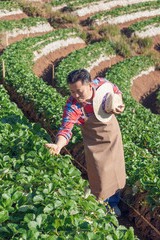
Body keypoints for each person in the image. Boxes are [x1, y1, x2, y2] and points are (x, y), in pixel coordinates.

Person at [45, 69, 126, 216]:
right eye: (72, 91)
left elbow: (116, 90)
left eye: (79, 91)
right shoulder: (73, 106)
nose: (75, 95)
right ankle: (100, 205)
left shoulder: (102, 84)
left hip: (112, 135)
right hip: (94, 142)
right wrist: (58, 145)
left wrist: (119, 104)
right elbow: (65, 129)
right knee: (100, 173)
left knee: (116, 169)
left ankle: (113, 203)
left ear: (89, 86)